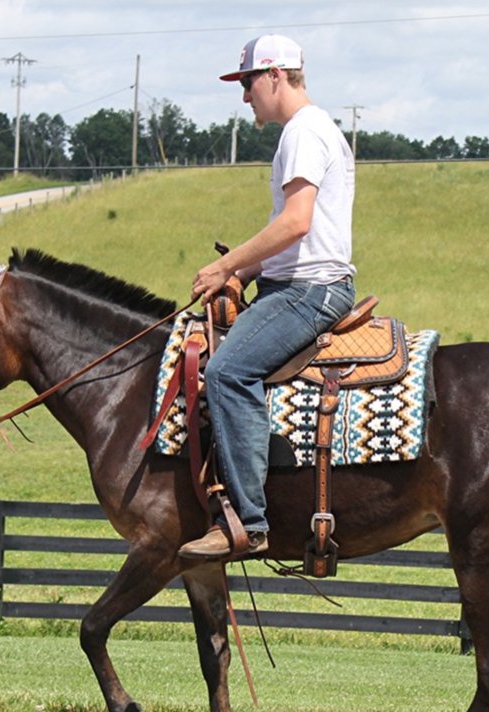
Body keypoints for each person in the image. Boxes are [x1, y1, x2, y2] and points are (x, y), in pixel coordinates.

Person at [179, 33, 357, 561]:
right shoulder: (309, 130)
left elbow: (296, 224)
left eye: (248, 83)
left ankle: (248, 522)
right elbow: (291, 234)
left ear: (276, 75)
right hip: (299, 283)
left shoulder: (303, 133)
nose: (245, 96)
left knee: (227, 371)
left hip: (310, 292)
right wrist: (241, 273)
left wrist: (227, 264)